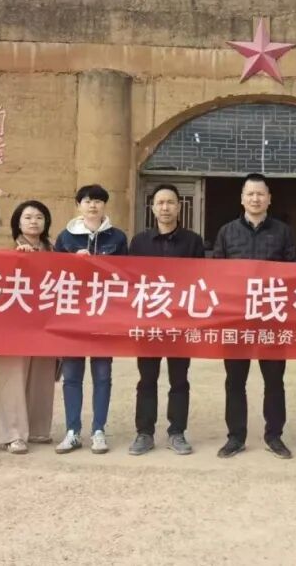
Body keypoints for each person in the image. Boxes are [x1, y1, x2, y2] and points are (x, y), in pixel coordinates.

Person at [212, 173, 296, 459]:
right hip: (236, 320)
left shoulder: (283, 232)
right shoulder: (227, 232)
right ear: (242, 198)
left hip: (272, 319)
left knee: (274, 381)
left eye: (260, 194)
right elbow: (216, 274)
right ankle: (235, 437)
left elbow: (292, 273)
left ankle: (274, 436)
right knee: (235, 381)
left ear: (269, 198)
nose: (255, 199)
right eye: (250, 194)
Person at [127, 184, 206, 456]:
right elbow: (130, 281)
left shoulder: (193, 241)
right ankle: (144, 433)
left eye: (170, 202)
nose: (165, 207)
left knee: (179, 379)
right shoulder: (139, 242)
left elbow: (201, 280)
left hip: (180, 323)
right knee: (146, 379)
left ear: (179, 206)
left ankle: (177, 432)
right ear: (152, 208)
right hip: (149, 322)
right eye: (160, 202)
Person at [53, 183, 128, 455]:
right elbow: (52, 273)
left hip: (104, 315)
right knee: (72, 375)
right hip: (73, 315)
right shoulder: (65, 237)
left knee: (102, 375)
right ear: (79, 205)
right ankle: (72, 431)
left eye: (97, 200)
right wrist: (73, 261)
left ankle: (98, 430)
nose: (92, 205)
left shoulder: (117, 237)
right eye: (87, 200)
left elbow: (126, 274)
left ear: (104, 205)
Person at [0, 200, 58, 454]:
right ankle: (13, 433)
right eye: (28, 217)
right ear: (18, 223)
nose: (34, 221)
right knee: (13, 376)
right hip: (14, 324)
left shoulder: (54, 251)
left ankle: (38, 428)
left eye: (39, 217)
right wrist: (16, 259)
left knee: (43, 375)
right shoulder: (7, 251)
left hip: (45, 322)